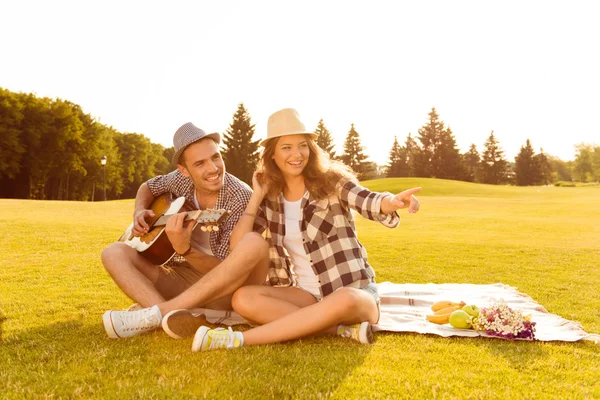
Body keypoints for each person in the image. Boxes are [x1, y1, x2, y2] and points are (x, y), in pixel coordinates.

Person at [191, 108, 421, 351]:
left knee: (344, 298)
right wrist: (256, 195)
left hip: (354, 292)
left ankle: (235, 340)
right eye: (286, 147)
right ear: (272, 155)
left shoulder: (331, 181)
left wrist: (392, 202)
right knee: (243, 298)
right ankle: (338, 330)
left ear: (310, 148)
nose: (296, 154)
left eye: (302, 145)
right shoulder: (271, 198)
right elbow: (238, 246)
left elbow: (368, 200)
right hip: (307, 296)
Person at [101, 122, 270, 339]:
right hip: (179, 277)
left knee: (228, 275)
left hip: (222, 290)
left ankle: (162, 313)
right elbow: (149, 186)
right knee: (113, 252)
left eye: (215, 157)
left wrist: (185, 249)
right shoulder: (180, 180)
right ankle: (171, 316)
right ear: (184, 170)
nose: (213, 169)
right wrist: (140, 210)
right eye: (200, 163)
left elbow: (229, 270)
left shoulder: (239, 197)